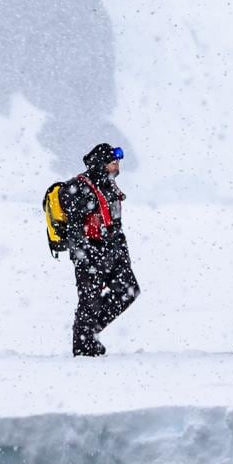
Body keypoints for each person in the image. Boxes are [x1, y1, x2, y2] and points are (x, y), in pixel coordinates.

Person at [65, 142, 140, 356]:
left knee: (129, 290)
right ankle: (83, 347)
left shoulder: (110, 188)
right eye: (111, 162)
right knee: (90, 301)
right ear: (100, 164)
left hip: (113, 253)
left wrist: (123, 256)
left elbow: (116, 226)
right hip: (89, 255)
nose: (116, 165)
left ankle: (88, 334)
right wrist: (84, 256)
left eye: (117, 161)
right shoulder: (80, 188)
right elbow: (74, 228)